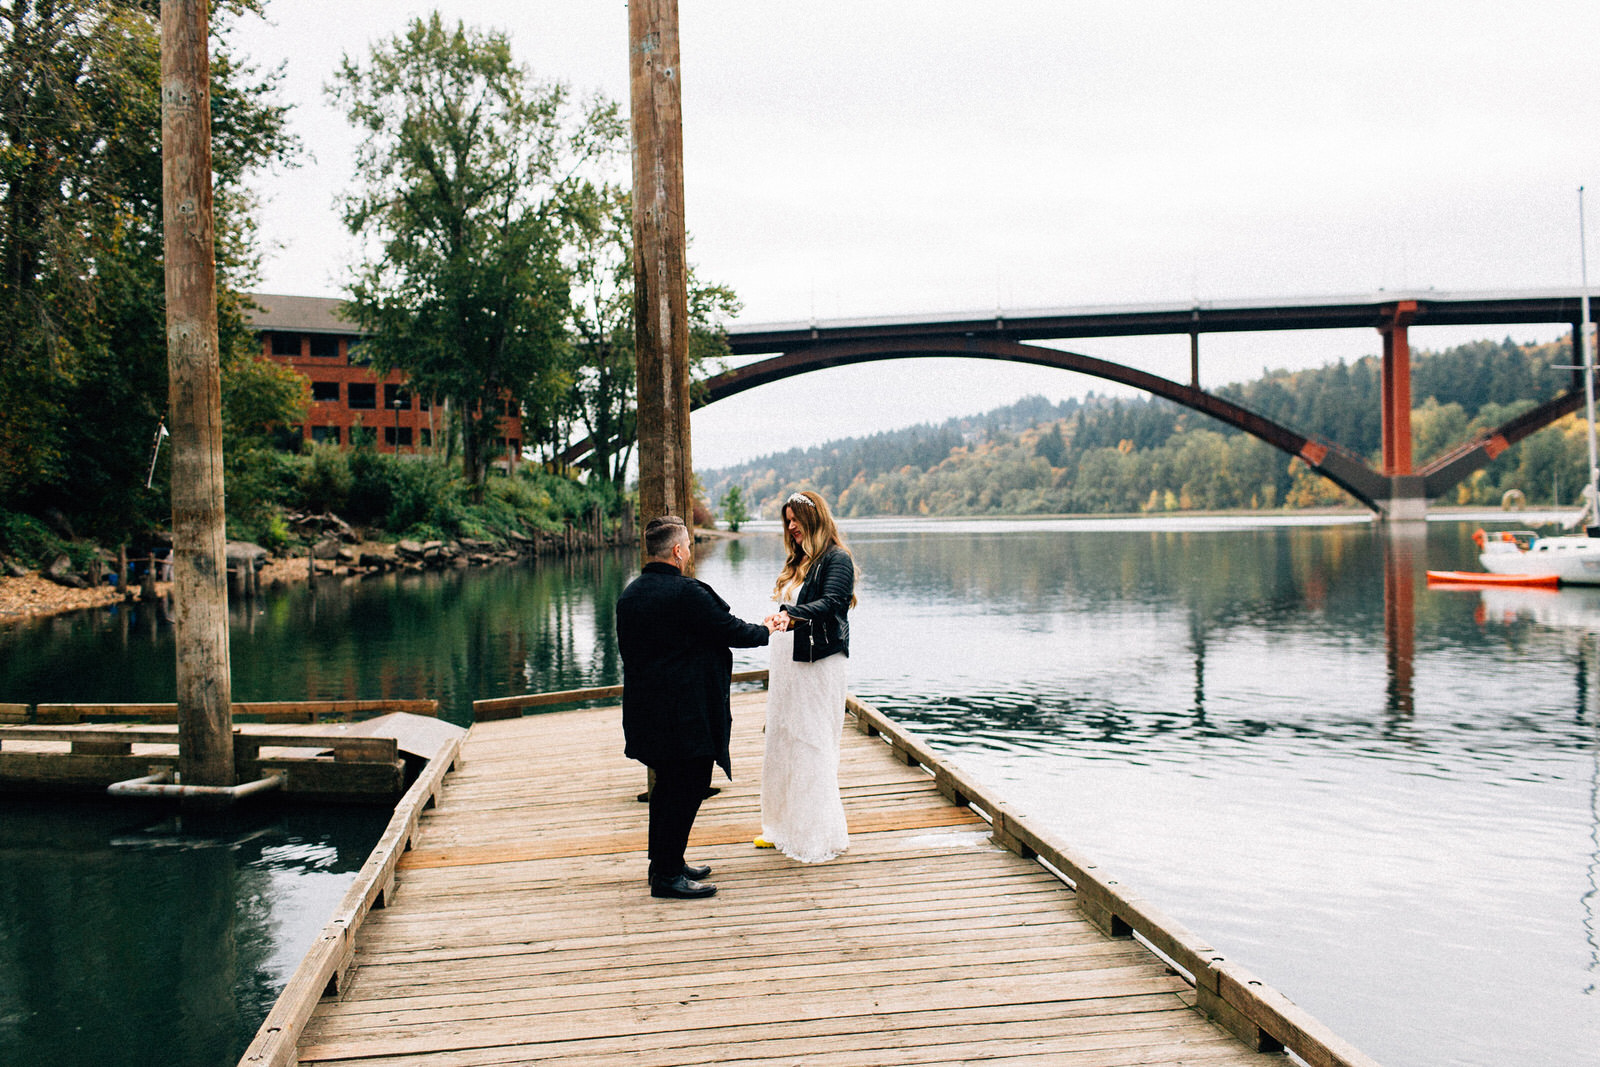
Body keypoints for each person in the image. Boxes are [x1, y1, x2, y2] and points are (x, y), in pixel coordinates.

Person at [616, 515, 776, 899]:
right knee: (687, 788)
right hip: (685, 715)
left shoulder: (631, 594)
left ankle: (666, 863)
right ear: (677, 551)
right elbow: (731, 630)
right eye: (687, 545)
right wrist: (770, 630)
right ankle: (668, 877)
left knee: (667, 789)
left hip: (648, 711)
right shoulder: (686, 593)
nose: (688, 551)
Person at [758, 490, 856, 862]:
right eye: (787, 520)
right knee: (782, 741)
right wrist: (776, 618)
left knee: (811, 742)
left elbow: (832, 603)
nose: (791, 526)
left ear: (815, 518)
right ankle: (782, 828)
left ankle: (814, 835)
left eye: (796, 518)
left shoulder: (837, 559)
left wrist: (791, 615)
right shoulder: (797, 560)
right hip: (787, 666)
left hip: (818, 665)